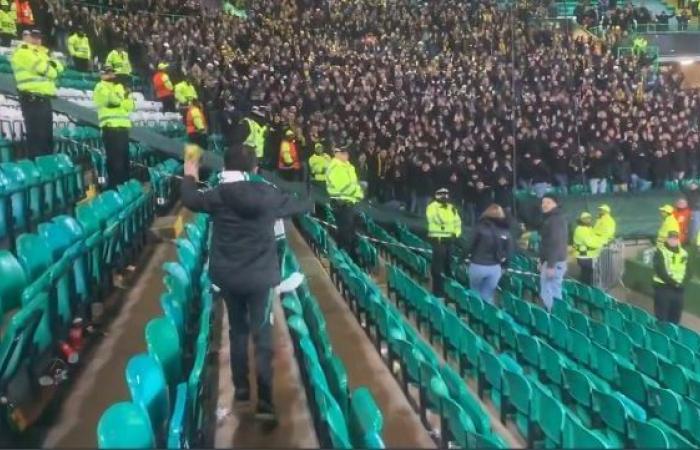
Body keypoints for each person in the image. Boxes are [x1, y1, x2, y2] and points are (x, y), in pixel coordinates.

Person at [181, 144, 312, 422]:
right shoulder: (268, 194)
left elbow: (190, 199)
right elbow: (301, 205)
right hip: (260, 280)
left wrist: (190, 173)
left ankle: (241, 390)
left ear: (226, 167)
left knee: (237, 331)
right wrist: (311, 193)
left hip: (228, 277)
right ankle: (265, 402)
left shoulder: (218, 195)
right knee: (262, 336)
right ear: (254, 169)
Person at [11, 29, 63, 158]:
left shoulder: (43, 53)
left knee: (46, 137)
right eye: (33, 36)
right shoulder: (22, 51)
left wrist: (51, 67)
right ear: (26, 37)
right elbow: (45, 69)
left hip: (44, 99)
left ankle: (47, 165)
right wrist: (51, 67)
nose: (37, 40)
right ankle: (38, 166)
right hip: (32, 98)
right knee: (37, 137)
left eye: (39, 37)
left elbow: (60, 68)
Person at [92, 65, 134, 189]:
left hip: (123, 128)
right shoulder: (100, 87)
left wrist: (122, 95)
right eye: (108, 73)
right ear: (102, 74)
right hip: (111, 129)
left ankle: (125, 187)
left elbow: (130, 106)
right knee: (116, 161)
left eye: (112, 72)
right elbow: (114, 101)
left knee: (125, 160)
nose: (111, 75)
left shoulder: (117, 88)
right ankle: (115, 187)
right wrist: (121, 92)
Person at [466, 203, 512, 303]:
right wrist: (505, 266)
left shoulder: (478, 228)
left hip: (477, 265)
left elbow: (468, 246)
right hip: (494, 268)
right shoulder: (506, 232)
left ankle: (474, 317)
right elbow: (508, 252)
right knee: (487, 297)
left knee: (474, 295)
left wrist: (462, 260)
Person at [326, 144, 363, 258]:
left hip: (350, 203)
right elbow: (344, 186)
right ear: (337, 153)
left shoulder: (348, 166)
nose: (346, 155)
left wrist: (358, 193)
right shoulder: (335, 167)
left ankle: (351, 257)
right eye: (343, 152)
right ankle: (344, 260)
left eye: (347, 152)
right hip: (342, 205)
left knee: (352, 233)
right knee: (345, 236)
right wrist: (358, 193)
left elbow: (354, 183)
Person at [426, 188, 462, 298]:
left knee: (448, 265)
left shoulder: (452, 208)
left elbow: (458, 222)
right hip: (438, 240)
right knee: (437, 267)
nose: (444, 197)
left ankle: (449, 291)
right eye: (442, 194)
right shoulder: (432, 207)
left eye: (446, 194)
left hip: (450, 240)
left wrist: (456, 233)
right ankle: (437, 292)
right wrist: (448, 221)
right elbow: (438, 220)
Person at [539, 194, 568, 311]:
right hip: (553, 261)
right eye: (543, 202)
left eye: (548, 202)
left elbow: (555, 243)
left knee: (548, 292)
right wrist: (542, 261)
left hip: (554, 262)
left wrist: (550, 265)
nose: (544, 205)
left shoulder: (555, 219)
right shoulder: (551, 218)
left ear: (556, 204)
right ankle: (557, 317)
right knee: (554, 291)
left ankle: (553, 320)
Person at [653, 230, 687, 323]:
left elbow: (688, 270)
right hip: (663, 288)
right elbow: (661, 272)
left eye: (675, 238)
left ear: (678, 239)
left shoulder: (684, 253)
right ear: (667, 239)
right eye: (671, 238)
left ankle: (672, 337)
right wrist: (675, 284)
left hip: (678, 291)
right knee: (662, 319)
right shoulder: (660, 252)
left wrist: (682, 284)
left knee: (675, 319)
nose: (673, 240)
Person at [573, 212, 603, 285]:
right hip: (584, 256)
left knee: (587, 274)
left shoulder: (589, 228)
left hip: (590, 256)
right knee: (587, 276)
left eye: (589, 218)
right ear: (581, 220)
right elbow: (590, 242)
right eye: (585, 219)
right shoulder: (580, 230)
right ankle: (584, 291)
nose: (588, 220)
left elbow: (595, 238)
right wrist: (601, 243)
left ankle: (584, 290)